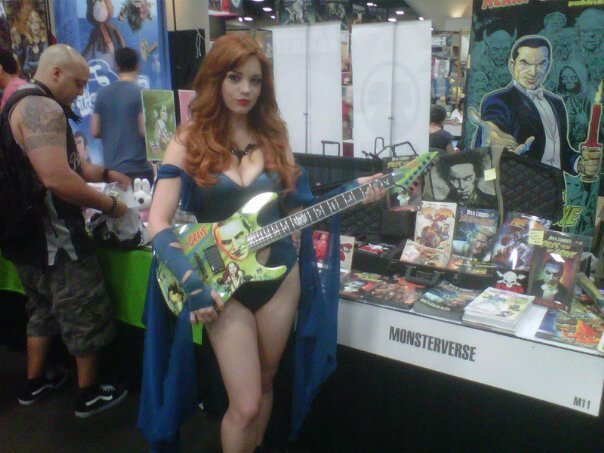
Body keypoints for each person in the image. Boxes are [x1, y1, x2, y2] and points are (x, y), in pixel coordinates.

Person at [139, 34, 385, 452]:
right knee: (245, 404)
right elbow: (158, 222)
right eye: (235, 78)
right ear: (216, 79)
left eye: (255, 80)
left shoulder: (273, 136)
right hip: (222, 284)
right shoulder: (188, 141)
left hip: (280, 277)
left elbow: (300, 206)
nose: (246, 90)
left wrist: (356, 190)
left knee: (267, 384)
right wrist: (192, 284)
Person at [4, 44, 130, 417]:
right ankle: (89, 393)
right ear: (56, 73)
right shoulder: (42, 108)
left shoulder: (18, 105)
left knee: (41, 310)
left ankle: (35, 382)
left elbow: (71, 166)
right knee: (84, 311)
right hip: (57, 239)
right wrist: (111, 205)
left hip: (25, 239)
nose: (81, 92)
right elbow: (57, 179)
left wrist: (105, 174)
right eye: (78, 83)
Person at [470, 35, 600, 178]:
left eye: (541, 64)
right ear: (512, 65)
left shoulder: (556, 102)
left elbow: (561, 151)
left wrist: (579, 163)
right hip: (519, 187)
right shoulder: (498, 101)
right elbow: (493, 130)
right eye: (525, 63)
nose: (533, 72)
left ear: (549, 65)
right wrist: (496, 147)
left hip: (555, 188)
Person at [91, 47, 153, 184]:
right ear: (137, 66)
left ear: (117, 66)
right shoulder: (142, 94)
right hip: (139, 169)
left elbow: (95, 131)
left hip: (112, 171)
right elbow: (144, 130)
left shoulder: (102, 94)